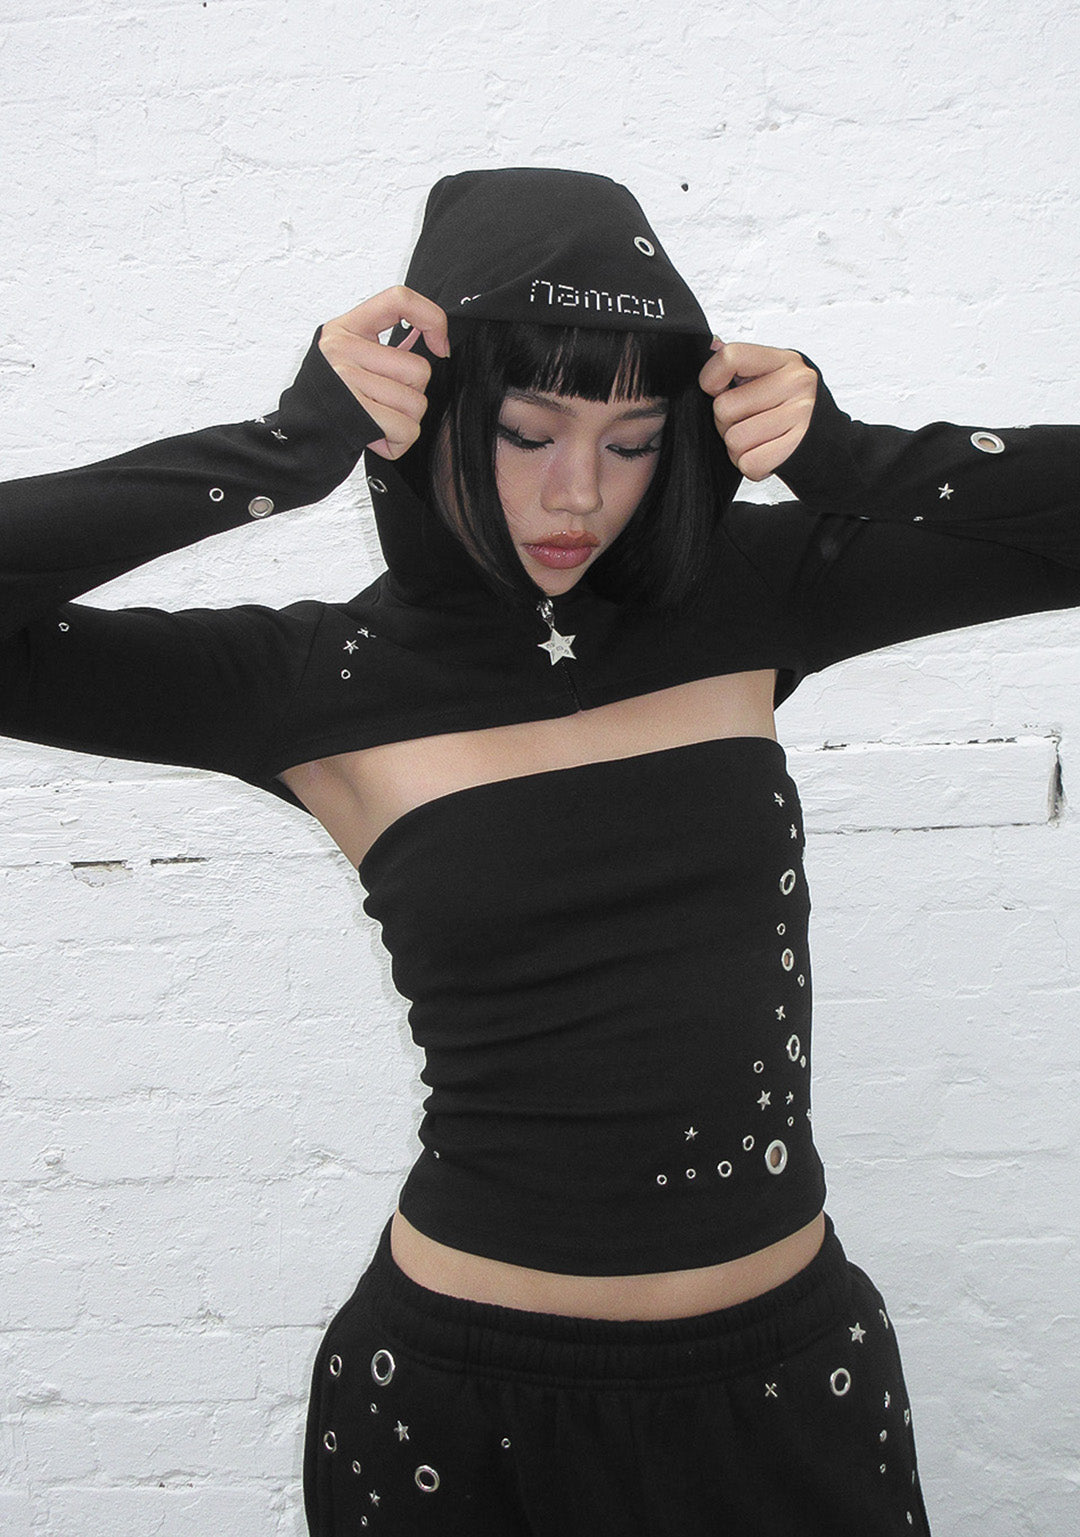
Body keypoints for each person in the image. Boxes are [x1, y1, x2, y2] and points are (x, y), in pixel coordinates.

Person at [3, 168, 1079, 1536]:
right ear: (435, 418)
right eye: (527, 432)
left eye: (634, 443)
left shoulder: (751, 595)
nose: (580, 493)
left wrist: (861, 459)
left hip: (787, 1392)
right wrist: (276, 451)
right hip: (463, 1415)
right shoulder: (315, 682)